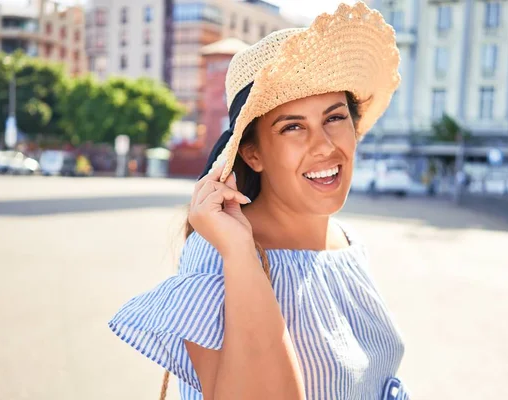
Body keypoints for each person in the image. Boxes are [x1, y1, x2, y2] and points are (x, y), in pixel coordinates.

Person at [109, 3, 410, 399]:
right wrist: (240, 254)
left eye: (334, 118)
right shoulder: (218, 254)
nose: (324, 146)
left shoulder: (347, 242)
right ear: (253, 154)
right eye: (293, 127)